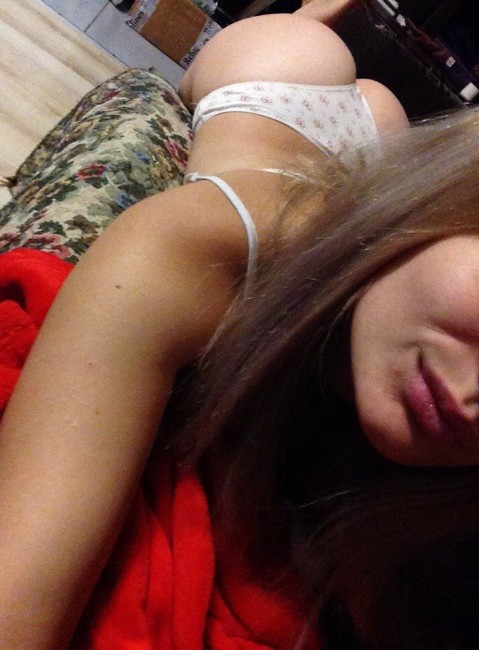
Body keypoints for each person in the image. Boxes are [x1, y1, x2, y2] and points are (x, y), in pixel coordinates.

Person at [0, 0, 426, 647]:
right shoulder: (209, 248)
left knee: (308, 50)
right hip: (283, 90)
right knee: (250, 60)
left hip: (340, 137)